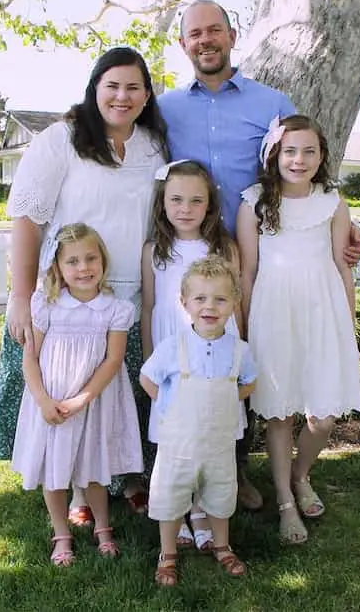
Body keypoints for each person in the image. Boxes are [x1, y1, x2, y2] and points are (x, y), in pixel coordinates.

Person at [158, 0, 360, 511]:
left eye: (214, 30)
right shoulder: (163, 108)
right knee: (199, 363)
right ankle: (195, 472)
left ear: (231, 35)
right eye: (194, 34)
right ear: (183, 43)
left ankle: (243, 474)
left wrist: (344, 222)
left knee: (250, 368)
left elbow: (297, 165)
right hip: (193, 254)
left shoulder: (270, 101)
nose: (205, 40)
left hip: (258, 254)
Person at [0, 46, 167, 523]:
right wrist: (21, 296)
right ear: (94, 89)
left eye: (133, 87)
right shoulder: (61, 139)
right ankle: (73, 489)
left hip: (129, 296)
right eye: (111, 85)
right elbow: (28, 219)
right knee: (70, 386)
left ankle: (127, 476)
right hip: (68, 295)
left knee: (118, 397)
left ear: (147, 95)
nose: (122, 96)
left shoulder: (155, 145)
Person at [236, 115, 360, 544]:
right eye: (290, 151)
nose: (299, 159)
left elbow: (342, 268)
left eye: (309, 151)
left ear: (322, 155)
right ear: (275, 155)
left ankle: (300, 473)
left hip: (323, 309)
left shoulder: (332, 201)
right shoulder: (254, 201)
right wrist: (250, 328)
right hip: (273, 312)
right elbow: (248, 273)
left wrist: (348, 323)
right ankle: (286, 502)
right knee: (279, 412)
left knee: (323, 416)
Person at [11, 223, 143, 565]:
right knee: (53, 469)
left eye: (90, 259)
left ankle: (103, 529)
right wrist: (42, 399)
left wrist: (83, 398)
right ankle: (62, 535)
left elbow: (113, 360)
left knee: (93, 467)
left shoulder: (115, 309)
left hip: (93, 400)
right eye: (72, 261)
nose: (83, 268)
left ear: (103, 262)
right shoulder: (47, 306)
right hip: (52, 399)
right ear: (58, 267)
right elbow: (31, 357)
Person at [141, 159, 244, 551]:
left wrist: (240, 347)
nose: (185, 208)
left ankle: (202, 508)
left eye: (196, 200)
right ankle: (177, 507)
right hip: (172, 347)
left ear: (210, 205)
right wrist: (151, 356)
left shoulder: (223, 247)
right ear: (163, 202)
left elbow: (237, 302)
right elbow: (150, 306)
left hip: (217, 347)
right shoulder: (154, 250)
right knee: (177, 434)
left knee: (211, 434)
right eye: (176, 199)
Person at [140, 255, 257, 586]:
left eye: (221, 299)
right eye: (201, 299)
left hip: (219, 443)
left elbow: (249, 382)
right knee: (171, 495)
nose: (210, 306)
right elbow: (148, 379)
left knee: (220, 493)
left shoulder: (238, 350)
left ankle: (222, 545)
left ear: (234, 303)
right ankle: (168, 554)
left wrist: (223, 399)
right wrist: (169, 405)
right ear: (185, 303)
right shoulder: (173, 346)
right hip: (179, 443)